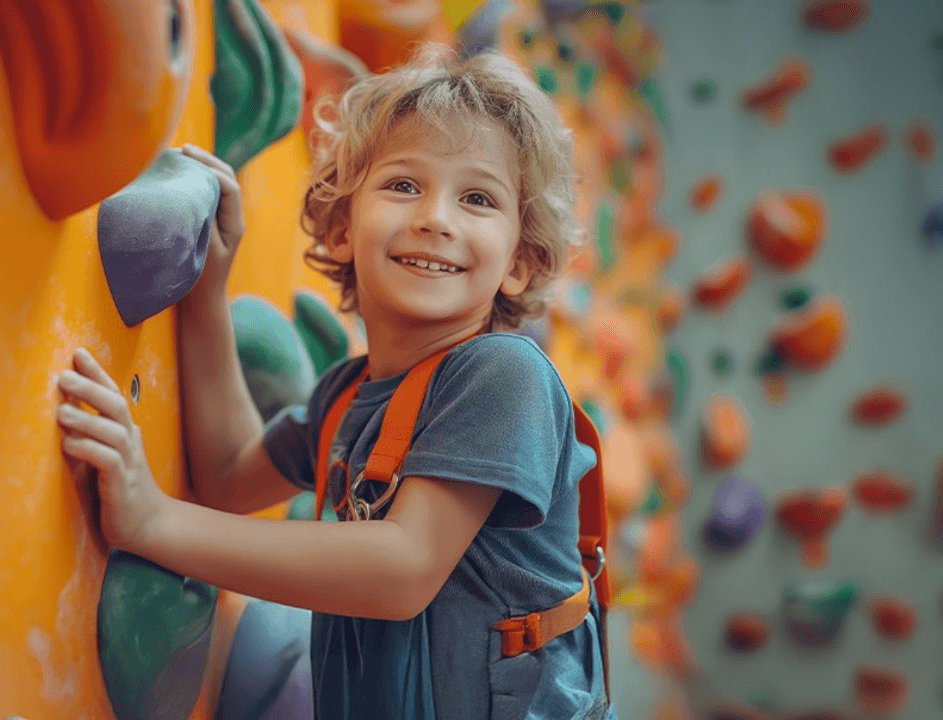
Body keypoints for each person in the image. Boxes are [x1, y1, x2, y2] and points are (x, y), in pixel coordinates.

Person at [56, 44, 615, 720]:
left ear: (519, 264)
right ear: (344, 226)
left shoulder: (504, 374)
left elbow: (403, 567)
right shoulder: (347, 397)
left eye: (477, 198)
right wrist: (207, 292)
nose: (435, 216)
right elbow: (230, 477)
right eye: (404, 185)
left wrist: (153, 520)